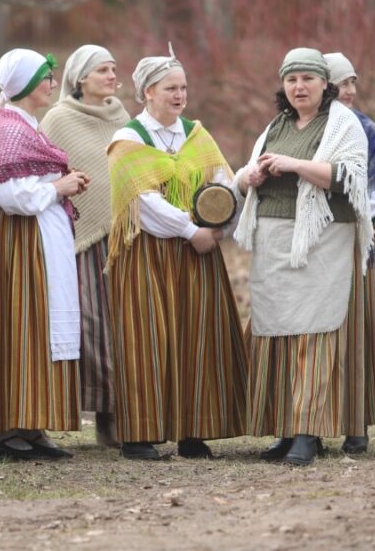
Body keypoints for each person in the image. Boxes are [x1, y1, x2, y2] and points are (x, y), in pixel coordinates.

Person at [232, 47, 372, 466]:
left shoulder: (342, 124)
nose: (299, 86)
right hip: (274, 240)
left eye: (308, 79)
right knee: (277, 333)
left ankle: (308, 432)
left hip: (322, 240)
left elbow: (348, 177)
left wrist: (295, 164)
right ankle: (283, 428)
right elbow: (243, 176)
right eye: (291, 79)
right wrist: (249, 177)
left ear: (325, 83)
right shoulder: (276, 126)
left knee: (313, 332)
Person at [107, 46, 247, 461]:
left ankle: (193, 430)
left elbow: (222, 183)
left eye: (183, 87)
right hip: (148, 253)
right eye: (170, 88)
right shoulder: (128, 138)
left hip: (197, 253)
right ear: (148, 92)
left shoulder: (196, 134)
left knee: (196, 337)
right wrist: (190, 229)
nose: (179, 95)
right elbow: (142, 202)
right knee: (148, 339)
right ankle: (139, 434)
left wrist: (220, 225)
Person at [0, 48, 89, 460]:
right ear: (27, 85)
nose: (51, 83)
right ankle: (13, 425)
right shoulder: (10, 131)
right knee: (27, 324)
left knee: (46, 325)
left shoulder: (29, 125)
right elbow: (11, 196)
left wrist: (65, 183)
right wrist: (57, 189)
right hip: (26, 241)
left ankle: (34, 422)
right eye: (45, 77)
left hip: (46, 234)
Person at [41, 44, 130, 447]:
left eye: (113, 69)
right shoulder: (59, 119)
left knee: (124, 324)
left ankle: (124, 413)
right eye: (102, 70)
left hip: (126, 234)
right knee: (92, 326)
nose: (112, 76)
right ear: (81, 79)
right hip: (83, 239)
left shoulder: (121, 115)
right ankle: (101, 413)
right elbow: (47, 171)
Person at [324, 51, 375, 454]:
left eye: (353, 82)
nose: (349, 90)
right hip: (317, 244)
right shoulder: (308, 130)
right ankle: (307, 423)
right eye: (340, 83)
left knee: (356, 331)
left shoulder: (368, 131)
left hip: (358, 240)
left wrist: (344, 218)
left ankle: (356, 425)